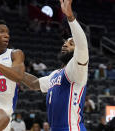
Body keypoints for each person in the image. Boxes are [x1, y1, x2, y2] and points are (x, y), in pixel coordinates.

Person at [21, 0, 89, 130]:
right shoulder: (55, 74)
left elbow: (82, 45)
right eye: (65, 42)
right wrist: (11, 71)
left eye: (71, 44)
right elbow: (35, 83)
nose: (65, 44)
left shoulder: (78, 68)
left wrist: (70, 17)